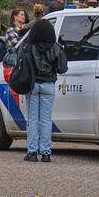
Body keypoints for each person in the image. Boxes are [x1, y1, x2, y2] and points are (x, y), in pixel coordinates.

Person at [21, 18, 67, 162]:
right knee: (46, 120)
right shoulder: (56, 47)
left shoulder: (28, 46)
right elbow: (62, 68)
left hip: (33, 84)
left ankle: (32, 152)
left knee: (32, 119)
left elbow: (20, 63)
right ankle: (46, 153)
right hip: (48, 84)